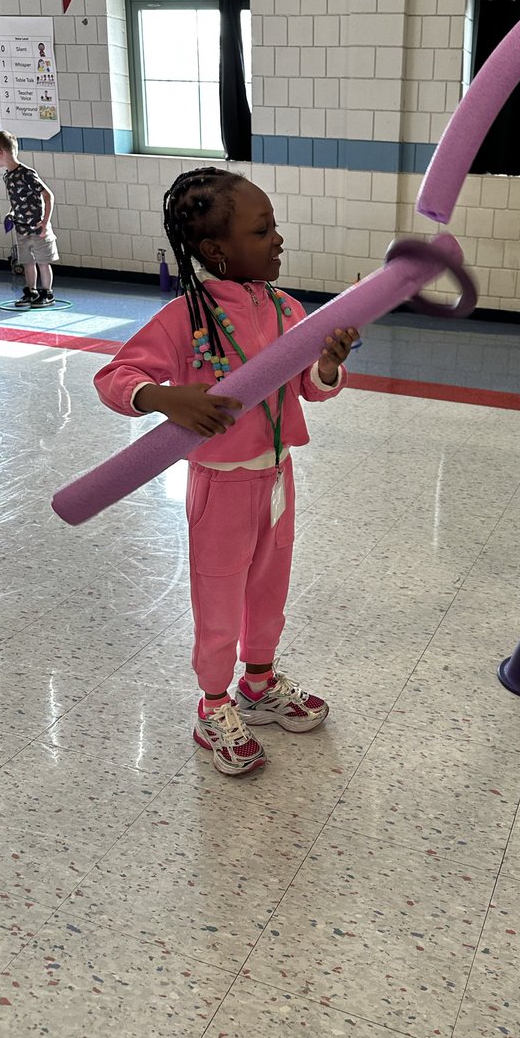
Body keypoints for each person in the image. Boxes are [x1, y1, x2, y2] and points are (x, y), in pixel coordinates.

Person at [94, 167, 359, 775]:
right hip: (220, 489)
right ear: (217, 250)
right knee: (218, 601)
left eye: (274, 228)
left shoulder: (289, 310)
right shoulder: (185, 319)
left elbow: (311, 392)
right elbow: (115, 378)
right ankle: (213, 706)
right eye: (263, 230)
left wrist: (326, 364)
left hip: (276, 479)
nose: (278, 239)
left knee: (270, 591)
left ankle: (258, 686)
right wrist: (164, 398)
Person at [0, 130, 59, 308]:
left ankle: (47, 293)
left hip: (37, 228)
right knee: (27, 262)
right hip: (21, 228)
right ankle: (31, 291)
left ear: (0, 152)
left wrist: (45, 222)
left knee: (42, 261)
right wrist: (11, 213)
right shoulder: (8, 176)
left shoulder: (27, 173)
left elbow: (48, 195)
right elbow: (17, 200)